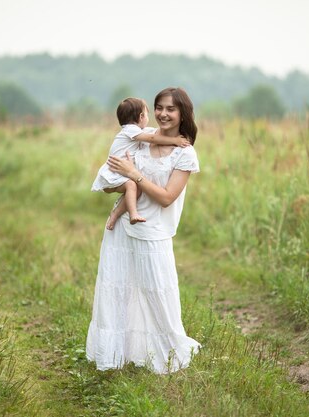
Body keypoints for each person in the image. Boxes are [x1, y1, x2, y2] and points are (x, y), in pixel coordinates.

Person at [86, 87, 201, 374]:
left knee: (157, 293)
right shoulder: (141, 137)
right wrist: (121, 178)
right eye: (158, 107)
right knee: (120, 291)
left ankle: (167, 353)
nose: (162, 113)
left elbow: (165, 197)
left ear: (182, 114)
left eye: (170, 109)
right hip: (122, 230)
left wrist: (133, 174)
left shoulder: (184, 153)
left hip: (154, 232)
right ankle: (120, 355)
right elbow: (112, 182)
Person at [91, 97, 190, 229]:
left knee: (134, 188)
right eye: (149, 113)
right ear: (141, 116)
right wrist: (175, 141)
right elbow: (152, 138)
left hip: (118, 172)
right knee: (132, 185)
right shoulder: (132, 130)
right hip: (115, 172)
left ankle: (116, 214)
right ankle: (132, 214)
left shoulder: (132, 131)